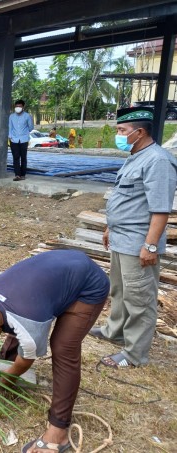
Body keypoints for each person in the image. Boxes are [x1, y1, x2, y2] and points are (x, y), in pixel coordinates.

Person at [0, 250, 110, 453]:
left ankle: (58, 433)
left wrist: (9, 377)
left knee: (63, 348)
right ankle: (4, 355)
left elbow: (25, 360)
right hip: (52, 275)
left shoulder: (30, 323)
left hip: (87, 284)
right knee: (19, 321)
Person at [89, 107, 177, 368]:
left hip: (139, 242)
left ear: (139, 132)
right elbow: (126, 199)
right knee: (120, 290)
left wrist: (150, 245)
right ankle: (114, 331)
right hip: (121, 238)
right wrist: (109, 227)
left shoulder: (158, 161)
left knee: (139, 298)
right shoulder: (135, 157)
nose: (118, 135)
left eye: (122, 131)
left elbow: (160, 209)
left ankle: (135, 354)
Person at [8, 99, 34, 181]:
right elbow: (10, 127)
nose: (18, 108)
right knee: (15, 157)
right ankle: (17, 175)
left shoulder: (27, 116)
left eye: (19, 106)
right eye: (16, 106)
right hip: (14, 139)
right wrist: (10, 136)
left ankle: (23, 174)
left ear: (23, 107)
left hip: (24, 139)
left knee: (23, 157)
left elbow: (31, 127)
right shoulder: (11, 116)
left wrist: (25, 133)